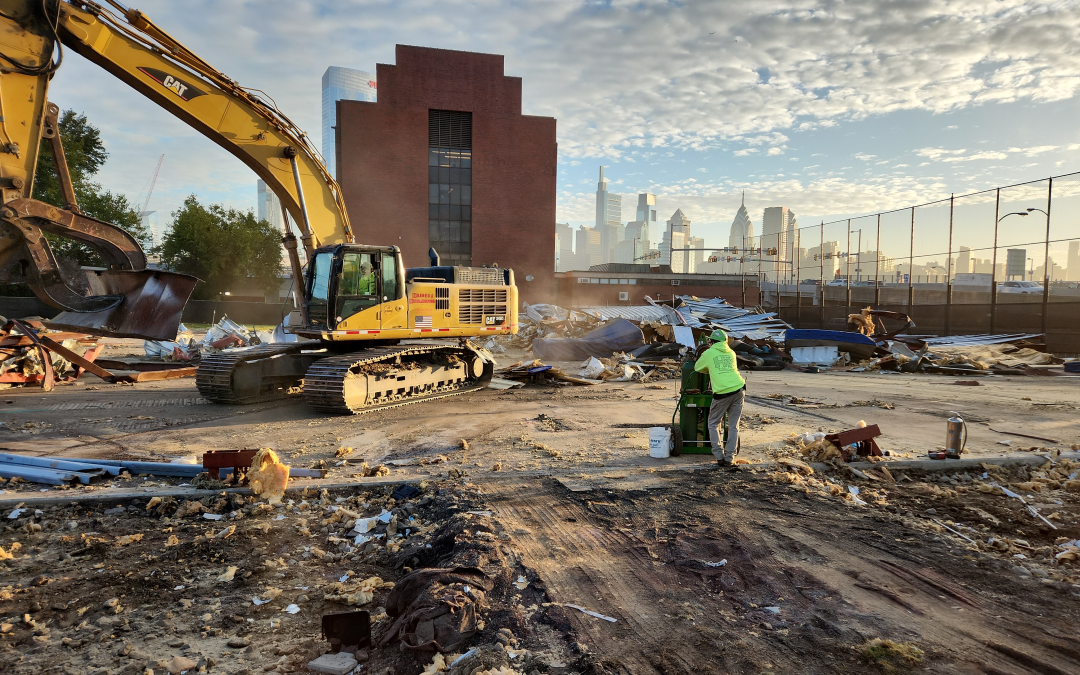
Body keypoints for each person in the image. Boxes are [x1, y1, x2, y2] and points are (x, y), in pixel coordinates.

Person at [694, 329, 745, 466]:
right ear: (725, 341)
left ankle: (719, 456)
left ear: (711, 341)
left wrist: (708, 368)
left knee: (713, 423)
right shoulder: (731, 352)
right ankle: (730, 458)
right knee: (733, 425)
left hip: (722, 393)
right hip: (739, 389)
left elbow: (697, 367)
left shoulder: (708, 353)